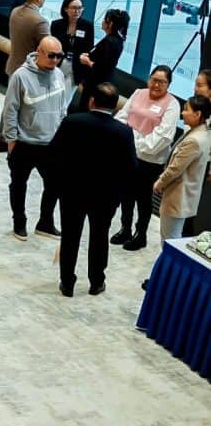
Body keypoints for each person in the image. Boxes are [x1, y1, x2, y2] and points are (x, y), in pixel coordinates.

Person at [49, 83, 136, 296]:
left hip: (72, 192)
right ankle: (97, 282)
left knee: (70, 237)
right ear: (116, 106)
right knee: (99, 237)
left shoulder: (72, 122)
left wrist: (59, 185)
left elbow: (53, 155)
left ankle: (67, 283)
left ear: (91, 100)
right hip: (105, 197)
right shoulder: (124, 132)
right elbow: (131, 168)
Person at [2, 36, 71, 240]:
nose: (55, 60)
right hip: (25, 143)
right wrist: (11, 139)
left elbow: (61, 107)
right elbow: (10, 109)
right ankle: (19, 221)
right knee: (18, 184)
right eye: (51, 55)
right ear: (39, 52)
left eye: (59, 56)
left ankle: (45, 222)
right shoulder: (20, 76)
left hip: (51, 144)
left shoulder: (59, 74)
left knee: (55, 184)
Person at [111, 66, 181, 251]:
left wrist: (133, 142)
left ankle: (140, 234)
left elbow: (163, 137)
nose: (156, 85)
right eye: (154, 80)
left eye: (162, 82)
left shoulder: (172, 104)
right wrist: (127, 140)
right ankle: (125, 228)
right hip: (127, 154)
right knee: (126, 194)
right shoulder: (138, 93)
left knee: (143, 199)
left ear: (168, 84)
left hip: (149, 160)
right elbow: (121, 117)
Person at [154, 95, 211, 244]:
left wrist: (159, 183)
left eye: (186, 109)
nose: (182, 113)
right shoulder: (203, 132)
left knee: (169, 240)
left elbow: (175, 169)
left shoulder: (194, 140)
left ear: (198, 114)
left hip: (178, 197)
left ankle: (169, 267)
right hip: (184, 197)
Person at [78, 8, 130, 108]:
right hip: (99, 83)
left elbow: (102, 68)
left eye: (105, 19)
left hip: (95, 85)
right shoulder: (117, 40)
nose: (102, 22)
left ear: (110, 23)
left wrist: (87, 61)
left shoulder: (109, 42)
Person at [50, 0, 94, 102]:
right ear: (66, 9)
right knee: (51, 97)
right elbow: (52, 45)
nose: (77, 11)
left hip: (75, 68)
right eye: (74, 8)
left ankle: (60, 118)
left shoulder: (87, 26)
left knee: (65, 101)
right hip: (58, 64)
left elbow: (89, 48)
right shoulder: (57, 25)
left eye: (80, 8)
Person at [6, 0, 49, 77]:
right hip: (30, 73)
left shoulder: (15, 11)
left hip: (13, 68)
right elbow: (48, 49)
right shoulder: (41, 21)